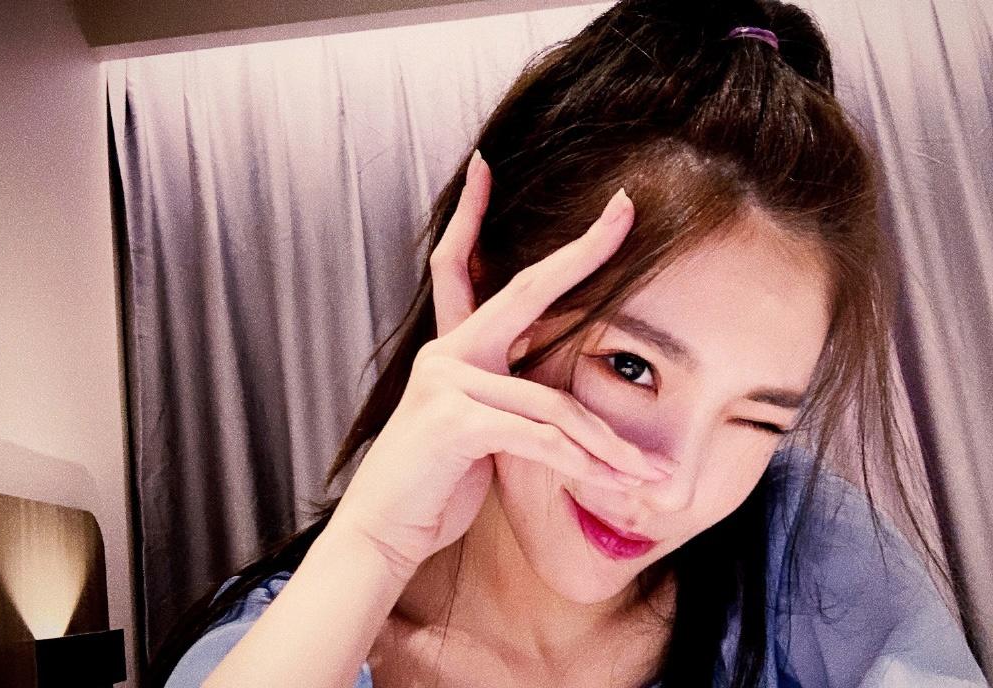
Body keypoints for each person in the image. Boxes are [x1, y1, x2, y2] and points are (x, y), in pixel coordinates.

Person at [152, 1, 989, 686]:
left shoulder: (795, 550)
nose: (674, 487)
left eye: (757, 419)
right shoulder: (293, 645)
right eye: (632, 366)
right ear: (486, 293)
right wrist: (373, 545)